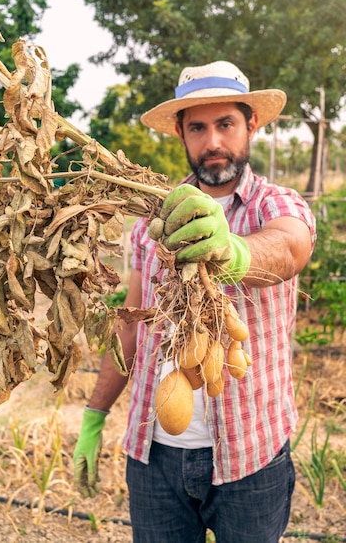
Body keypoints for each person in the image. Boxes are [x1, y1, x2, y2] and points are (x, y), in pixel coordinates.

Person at [73, 61, 316, 543]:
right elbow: (131, 326)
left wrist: (236, 249)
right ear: (181, 134)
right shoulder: (153, 218)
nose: (213, 142)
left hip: (252, 455)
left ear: (251, 126)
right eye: (198, 128)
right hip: (155, 459)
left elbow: (287, 247)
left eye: (226, 124)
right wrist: (95, 414)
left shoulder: (277, 203)